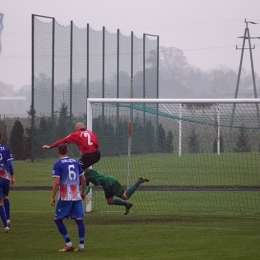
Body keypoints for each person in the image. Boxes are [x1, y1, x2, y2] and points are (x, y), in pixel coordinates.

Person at [51, 143, 86, 252]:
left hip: (65, 196)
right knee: (79, 219)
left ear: (58, 152)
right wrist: (82, 192)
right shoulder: (76, 162)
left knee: (57, 219)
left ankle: (69, 244)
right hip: (76, 195)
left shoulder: (58, 164)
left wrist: (52, 197)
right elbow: (83, 179)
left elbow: (56, 183)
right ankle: (81, 245)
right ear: (68, 151)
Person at [85, 168, 149, 215]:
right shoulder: (87, 172)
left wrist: (88, 187)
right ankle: (127, 204)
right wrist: (88, 186)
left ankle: (139, 181)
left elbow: (94, 182)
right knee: (110, 201)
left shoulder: (85, 173)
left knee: (125, 196)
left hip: (109, 182)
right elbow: (94, 181)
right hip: (106, 185)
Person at [0, 132, 15, 233]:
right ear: (1, 137)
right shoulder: (6, 149)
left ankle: (6, 225)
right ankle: (8, 218)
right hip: (6, 177)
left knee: (0, 202)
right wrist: (12, 177)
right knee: (6, 197)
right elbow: (10, 165)